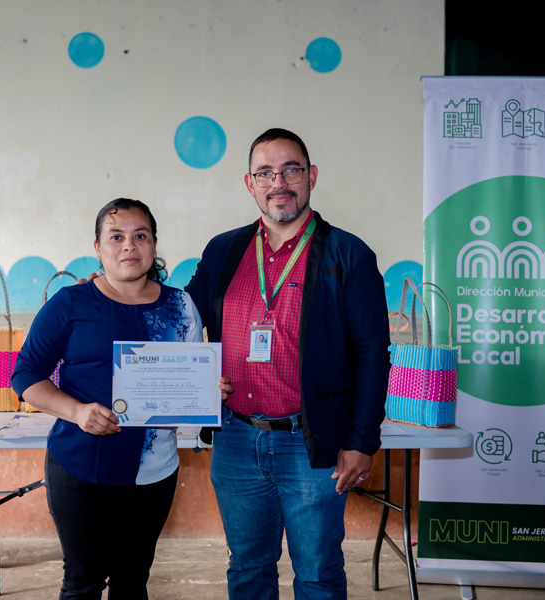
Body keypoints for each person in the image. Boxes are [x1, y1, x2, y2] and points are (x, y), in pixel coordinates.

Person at [185, 128, 391, 599]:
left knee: (318, 574)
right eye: (265, 173)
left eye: (291, 170)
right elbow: (179, 316)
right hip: (236, 438)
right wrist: (116, 288)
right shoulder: (223, 250)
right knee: (247, 569)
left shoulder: (349, 255)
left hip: (310, 443)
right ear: (249, 183)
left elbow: (372, 355)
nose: (278, 183)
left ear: (311, 176)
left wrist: (361, 441)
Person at [11, 198, 232, 600]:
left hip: (153, 472)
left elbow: (188, 377)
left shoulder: (181, 306)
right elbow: (25, 375)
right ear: (97, 248)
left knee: (132, 583)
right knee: (82, 584)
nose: (129, 245)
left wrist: (207, 391)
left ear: (154, 244)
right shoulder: (70, 302)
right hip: (80, 468)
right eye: (116, 237)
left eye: (140, 236)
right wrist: (77, 411)